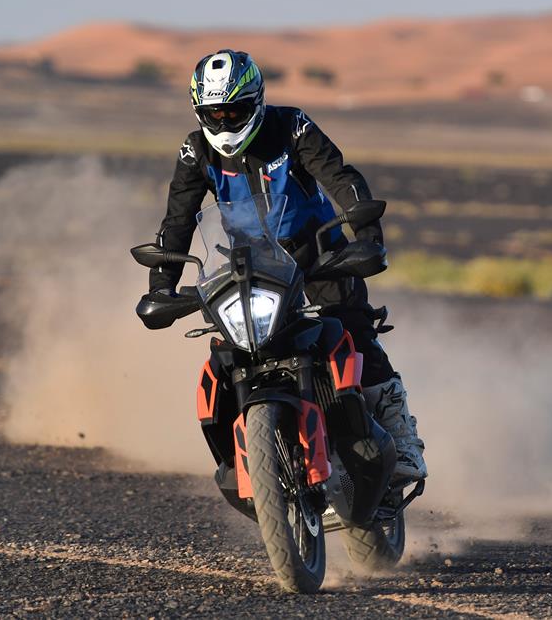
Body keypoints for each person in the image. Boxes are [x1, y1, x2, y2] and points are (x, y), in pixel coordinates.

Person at [145, 49, 426, 480]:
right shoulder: (195, 149)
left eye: (234, 111)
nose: (223, 123)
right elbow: (178, 219)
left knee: (353, 328)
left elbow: (341, 178)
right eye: (213, 113)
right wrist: (161, 284)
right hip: (250, 265)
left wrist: (367, 239)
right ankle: (251, 454)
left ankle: (402, 441)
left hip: (318, 255)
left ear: (256, 101)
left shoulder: (291, 125)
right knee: (233, 350)